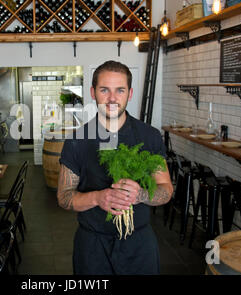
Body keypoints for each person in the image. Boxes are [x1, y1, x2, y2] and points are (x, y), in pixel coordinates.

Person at [57, 60, 173, 275]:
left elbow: (166, 190)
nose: (112, 98)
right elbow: (64, 197)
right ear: (93, 92)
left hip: (139, 244)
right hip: (92, 246)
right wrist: (97, 198)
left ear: (129, 93)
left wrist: (141, 195)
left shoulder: (149, 136)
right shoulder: (78, 140)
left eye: (120, 90)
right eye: (104, 90)